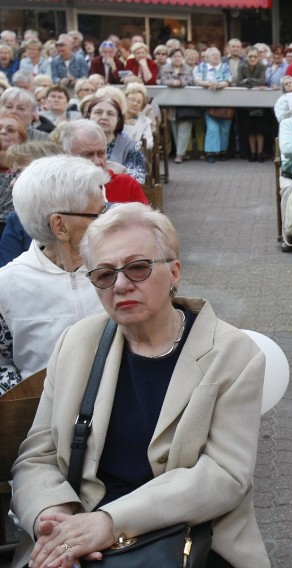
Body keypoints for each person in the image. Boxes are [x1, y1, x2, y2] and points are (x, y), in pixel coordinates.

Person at [10, 202, 270, 567]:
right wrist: (52, 517)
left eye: (138, 268)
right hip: (82, 532)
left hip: (188, 536)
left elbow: (225, 475)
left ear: (174, 272)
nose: (120, 285)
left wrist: (110, 522)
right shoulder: (77, 342)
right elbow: (38, 456)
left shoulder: (232, 353)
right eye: (103, 274)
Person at [0, 156, 106, 394]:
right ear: (60, 226)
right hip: (39, 417)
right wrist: (26, 398)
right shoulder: (7, 286)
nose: (107, 222)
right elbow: (2, 365)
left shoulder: (122, 270)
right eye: (98, 214)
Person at [55, 119, 149, 206]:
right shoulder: (55, 189)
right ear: (67, 156)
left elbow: (149, 222)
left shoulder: (126, 185)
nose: (97, 162)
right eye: (87, 155)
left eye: (101, 153)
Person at [84, 96, 147, 184]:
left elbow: (137, 179)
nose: (104, 117)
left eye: (110, 114)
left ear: (118, 119)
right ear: (88, 116)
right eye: (98, 112)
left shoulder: (132, 146)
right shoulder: (78, 143)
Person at [194, 47, 232, 163]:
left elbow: (229, 80)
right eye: (213, 55)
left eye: (217, 54)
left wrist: (219, 85)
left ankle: (222, 151)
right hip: (208, 103)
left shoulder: (225, 66)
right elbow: (198, 81)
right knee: (212, 128)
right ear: (207, 57)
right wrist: (208, 84)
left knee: (225, 128)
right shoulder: (202, 67)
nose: (216, 56)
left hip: (226, 103)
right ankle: (210, 152)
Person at [157, 48, 195, 163]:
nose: (177, 58)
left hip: (185, 102)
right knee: (174, 128)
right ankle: (179, 151)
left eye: (179, 56)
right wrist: (172, 83)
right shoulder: (164, 68)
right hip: (170, 103)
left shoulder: (188, 69)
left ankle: (180, 154)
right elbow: (162, 80)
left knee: (184, 128)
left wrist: (180, 83)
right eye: (175, 56)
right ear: (171, 58)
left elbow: (190, 81)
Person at [236, 48, 267, 163]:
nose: (252, 59)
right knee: (250, 130)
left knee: (260, 130)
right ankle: (253, 153)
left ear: (258, 57)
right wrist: (253, 82)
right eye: (250, 56)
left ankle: (260, 153)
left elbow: (262, 81)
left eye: (255, 56)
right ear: (247, 57)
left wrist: (247, 81)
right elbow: (238, 82)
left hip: (260, 102)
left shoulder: (262, 67)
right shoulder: (241, 67)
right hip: (246, 103)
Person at [122, 84, 154, 150]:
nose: (135, 104)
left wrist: (135, 146)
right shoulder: (116, 118)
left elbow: (149, 143)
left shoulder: (144, 121)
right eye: (132, 100)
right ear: (125, 100)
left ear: (142, 106)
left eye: (139, 102)